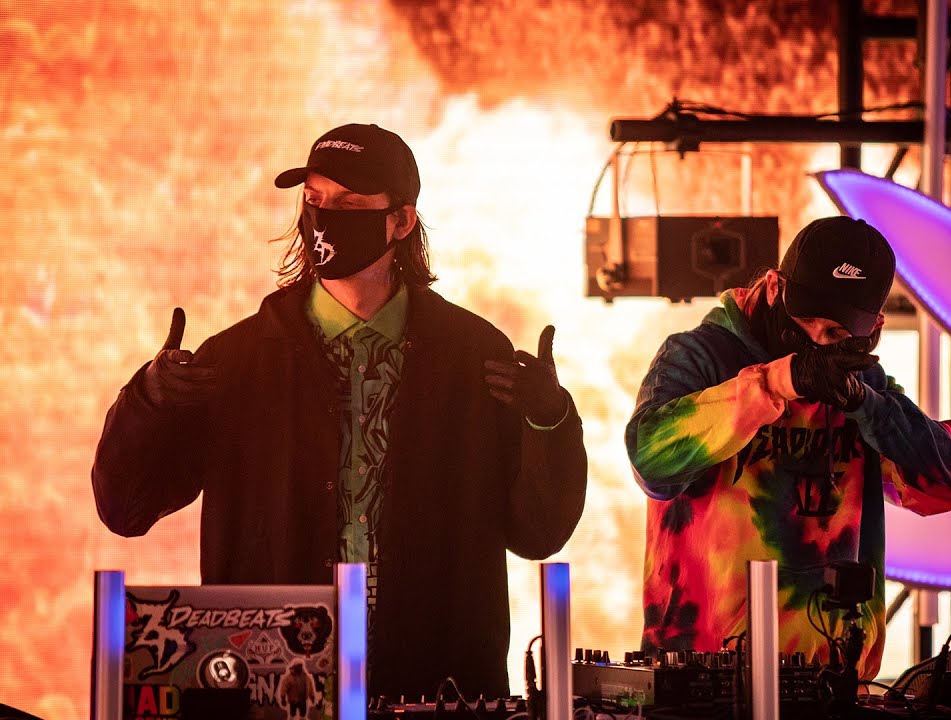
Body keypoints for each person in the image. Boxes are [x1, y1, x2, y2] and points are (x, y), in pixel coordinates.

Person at [92, 123, 588, 699]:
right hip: (274, 688)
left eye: (349, 205)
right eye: (314, 199)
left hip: (438, 688)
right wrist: (147, 402)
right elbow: (124, 509)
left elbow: (539, 533)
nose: (325, 219)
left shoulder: (476, 356)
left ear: (400, 222)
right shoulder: (236, 361)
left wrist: (549, 421)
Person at [626, 216, 951, 681]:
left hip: (833, 675)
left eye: (835, 334)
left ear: (873, 327)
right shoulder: (700, 356)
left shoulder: (862, 382)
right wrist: (775, 384)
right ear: (775, 287)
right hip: (702, 673)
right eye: (804, 319)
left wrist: (866, 405)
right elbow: (650, 462)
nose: (815, 339)